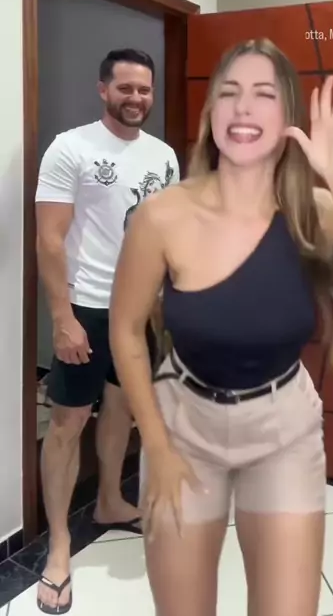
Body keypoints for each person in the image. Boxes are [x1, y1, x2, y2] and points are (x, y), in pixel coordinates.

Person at [109, 38, 333, 616]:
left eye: (263, 94)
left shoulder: (317, 212)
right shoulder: (161, 215)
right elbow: (124, 330)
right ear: (210, 113)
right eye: (230, 93)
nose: (243, 107)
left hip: (283, 428)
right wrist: (157, 446)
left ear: (288, 116)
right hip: (183, 424)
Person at [35, 48, 179, 614]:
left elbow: (167, 233)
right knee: (67, 423)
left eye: (144, 89)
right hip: (87, 309)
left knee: (121, 409)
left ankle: (111, 502)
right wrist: (62, 318)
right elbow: (50, 239)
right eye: (125, 88)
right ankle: (59, 549)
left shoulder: (163, 156)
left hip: (140, 311)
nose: (136, 98)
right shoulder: (71, 148)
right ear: (103, 89)